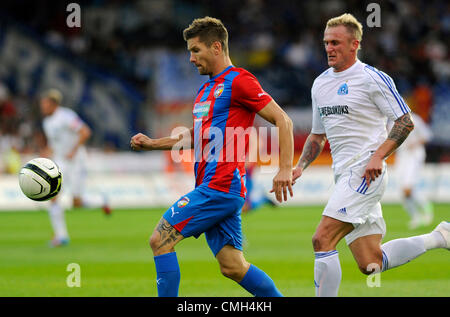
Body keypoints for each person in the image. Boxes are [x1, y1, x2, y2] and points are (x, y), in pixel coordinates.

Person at [130, 17, 294, 297]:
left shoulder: (240, 81)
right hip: (212, 186)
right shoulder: (205, 90)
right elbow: (195, 137)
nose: (191, 58)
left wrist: (285, 169)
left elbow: (283, 120)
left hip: (220, 186)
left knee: (159, 240)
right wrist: (152, 143)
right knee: (233, 266)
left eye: (196, 50)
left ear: (216, 47)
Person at [291, 13, 449, 297]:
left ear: (355, 44)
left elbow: (405, 121)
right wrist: (300, 165)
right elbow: (317, 135)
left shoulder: (372, 78)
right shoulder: (320, 84)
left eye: (336, 42)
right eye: (326, 42)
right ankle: (439, 237)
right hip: (343, 177)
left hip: (366, 173)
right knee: (371, 263)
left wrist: (378, 156)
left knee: (322, 238)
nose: (329, 48)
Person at [40, 89, 111, 247]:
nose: (42, 107)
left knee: (76, 203)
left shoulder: (66, 116)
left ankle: (101, 201)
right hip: (60, 162)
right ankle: (61, 236)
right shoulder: (47, 122)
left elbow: (85, 132)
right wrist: (45, 155)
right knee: (53, 195)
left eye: (44, 103)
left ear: (52, 104)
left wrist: (73, 150)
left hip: (76, 161)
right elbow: (54, 144)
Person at [394, 112, 434, 229]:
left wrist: (415, 143)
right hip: (401, 156)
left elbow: (427, 136)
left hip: (414, 155)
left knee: (408, 188)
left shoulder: (415, 119)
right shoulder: (392, 121)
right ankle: (415, 217)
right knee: (403, 191)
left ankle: (427, 211)